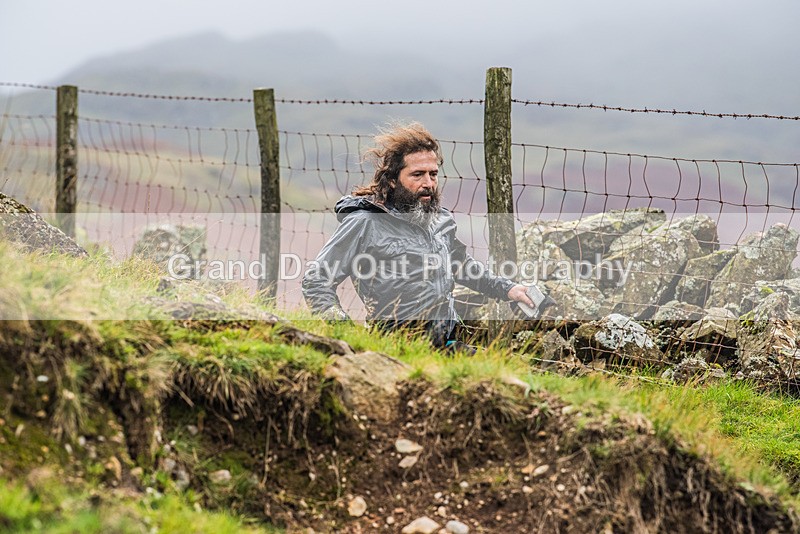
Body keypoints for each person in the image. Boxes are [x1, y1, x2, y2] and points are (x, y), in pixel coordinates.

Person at [301, 122, 539, 351]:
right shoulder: (364, 222)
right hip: (395, 346)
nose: (428, 183)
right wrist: (344, 333)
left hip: (448, 339)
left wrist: (507, 289)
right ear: (392, 180)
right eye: (417, 175)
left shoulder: (440, 219)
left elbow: (460, 265)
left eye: (433, 174)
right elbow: (317, 280)